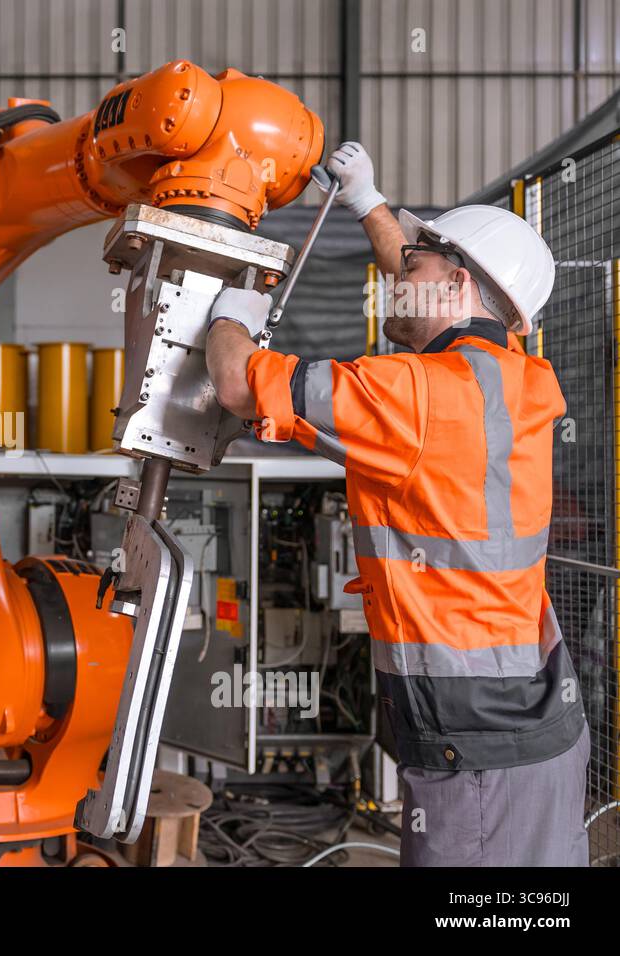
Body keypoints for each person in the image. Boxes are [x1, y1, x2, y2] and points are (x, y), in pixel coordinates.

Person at [204, 143, 590, 866]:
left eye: (412, 268)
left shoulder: (408, 394)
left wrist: (231, 310)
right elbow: (435, 292)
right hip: (528, 726)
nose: (394, 278)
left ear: (458, 286)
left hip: (475, 753)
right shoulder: (521, 378)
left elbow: (236, 384)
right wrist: (365, 202)